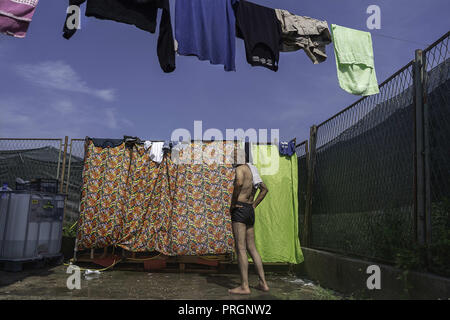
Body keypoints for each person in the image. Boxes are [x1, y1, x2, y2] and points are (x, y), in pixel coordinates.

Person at [229, 148, 269, 295]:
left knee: (241, 248)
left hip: (239, 209)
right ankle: (263, 283)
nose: (231, 159)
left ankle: (244, 286)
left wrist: (233, 204)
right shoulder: (252, 171)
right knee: (252, 247)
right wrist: (254, 204)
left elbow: (239, 183)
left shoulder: (240, 169)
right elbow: (264, 189)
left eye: (233, 156)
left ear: (240, 157)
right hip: (249, 210)